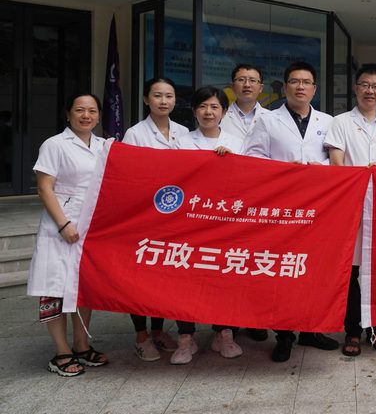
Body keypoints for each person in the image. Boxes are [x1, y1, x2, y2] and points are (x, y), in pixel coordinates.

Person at [243, 62, 340, 362]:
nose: (300, 87)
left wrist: (318, 167)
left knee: (313, 269)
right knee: (284, 271)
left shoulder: (328, 121)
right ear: (285, 87)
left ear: (314, 88)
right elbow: (252, 159)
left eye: (306, 82)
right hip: (282, 208)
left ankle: (311, 330)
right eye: (294, 82)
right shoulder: (267, 120)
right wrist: (285, 170)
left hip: (318, 208)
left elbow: (338, 160)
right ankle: (284, 335)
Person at [326, 65, 376, 357]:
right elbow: (337, 164)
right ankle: (352, 331)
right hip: (351, 207)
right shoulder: (340, 123)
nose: (370, 91)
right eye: (365, 85)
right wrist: (361, 176)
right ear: (355, 88)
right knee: (352, 272)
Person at [27, 94, 110, 377]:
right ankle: (61, 351)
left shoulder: (103, 146)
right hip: (60, 225)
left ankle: (81, 345)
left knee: (82, 285)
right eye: (79, 110)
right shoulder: (54, 144)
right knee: (55, 286)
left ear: (98, 116)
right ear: (68, 114)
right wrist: (63, 224)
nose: (86, 116)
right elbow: (44, 188)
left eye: (92, 111)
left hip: (90, 225)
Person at [170, 86, 245, 363]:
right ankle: (185, 338)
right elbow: (173, 177)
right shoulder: (181, 142)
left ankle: (224, 334)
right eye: (203, 106)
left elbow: (248, 181)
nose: (208, 112)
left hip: (225, 223)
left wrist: (232, 162)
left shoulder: (237, 142)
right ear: (194, 111)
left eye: (214, 107)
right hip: (189, 222)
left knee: (223, 278)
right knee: (184, 281)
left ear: (224, 112)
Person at [122, 77, 188, 361]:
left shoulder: (183, 132)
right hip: (145, 214)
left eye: (169, 96)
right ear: (146, 99)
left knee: (164, 275)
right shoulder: (135, 134)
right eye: (157, 95)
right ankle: (141, 335)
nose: (163, 101)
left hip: (175, 215)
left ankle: (159, 330)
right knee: (140, 277)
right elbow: (128, 175)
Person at [220, 63, 270, 154]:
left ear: (261, 88)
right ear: (232, 86)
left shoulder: (272, 118)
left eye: (252, 80)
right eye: (241, 80)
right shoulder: (219, 118)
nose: (247, 85)